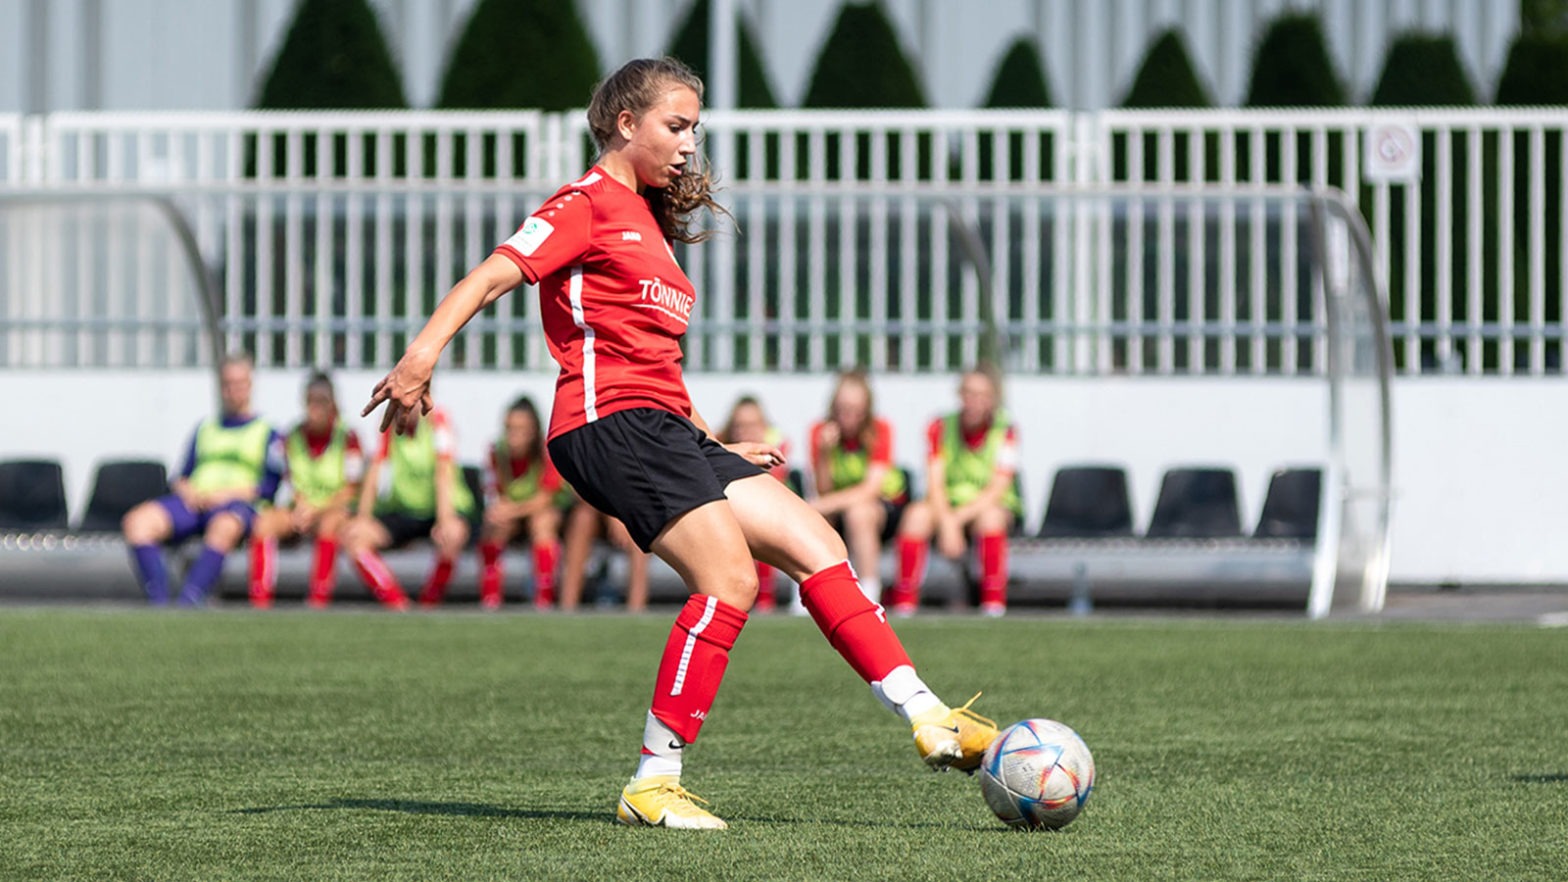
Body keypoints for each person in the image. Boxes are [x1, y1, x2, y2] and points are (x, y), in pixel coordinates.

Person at [362, 57, 998, 830]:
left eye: (695, 127)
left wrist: (715, 442)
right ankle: (653, 782)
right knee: (729, 581)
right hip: (604, 425)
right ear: (625, 125)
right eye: (676, 125)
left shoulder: (653, 228)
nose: (690, 143)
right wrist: (420, 357)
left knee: (818, 542)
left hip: (666, 428)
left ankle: (927, 716)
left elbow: (658, 370)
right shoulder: (585, 203)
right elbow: (492, 276)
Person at [122, 353, 284, 606]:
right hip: (195, 502)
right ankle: (159, 602)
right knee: (137, 522)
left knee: (224, 526)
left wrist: (225, 495)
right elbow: (181, 476)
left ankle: (189, 600)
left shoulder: (268, 432)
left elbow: (268, 487)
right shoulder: (205, 428)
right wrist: (189, 492)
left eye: (240, 383)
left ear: (250, 385)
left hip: (235, 505)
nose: (233, 390)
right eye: (228, 384)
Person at [888, 367, 1022, 617]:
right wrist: (947, 521)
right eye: (969, 393)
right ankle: (904, 600)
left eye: (982, 395)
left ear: (993, 398)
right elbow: (934, 482)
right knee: (916, 515)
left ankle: (993, 602)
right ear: (959, 395)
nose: (974, 401)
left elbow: (997, 488)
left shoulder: (1006, 430)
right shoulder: (940, 426)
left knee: (990, 518)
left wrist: (954, 522)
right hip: (945, 505)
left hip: (987, 506)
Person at [340, 403, 476, 610]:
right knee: (355, 539)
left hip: (440, 509)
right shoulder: (389, 423)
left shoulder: (437, 421)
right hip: (403, 511)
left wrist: (445, 519)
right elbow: (375, 470)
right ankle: (397, 603)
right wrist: (362, 518)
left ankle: (428, 604)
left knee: (451, 535)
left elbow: (443, 471)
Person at [247, 371, 364, 608]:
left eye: (322, 402)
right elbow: (290, 479)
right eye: (311, 401)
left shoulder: (347, 437)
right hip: (301, 510)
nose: (315, 408)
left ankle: (318, 599)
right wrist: (301, 507)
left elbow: (351, 490)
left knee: (330, 524)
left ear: (333, 403)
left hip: (332, 510)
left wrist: (316, 509)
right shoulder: (291, 437)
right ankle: (260, 601)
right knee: (264, 523)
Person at [806, 370, 907, 607]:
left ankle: (870, 592)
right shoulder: (820, 432)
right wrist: (824, 454)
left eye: (855, 410)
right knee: (814, 517)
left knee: (859, 513)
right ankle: (811, 593)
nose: (848, 416)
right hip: (838, 505)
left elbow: (870, 490)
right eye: (843, 409)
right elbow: (823, 489)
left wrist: (818, 505)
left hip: (882, 507)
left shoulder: (880, 430)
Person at [478, 395, 568, 610]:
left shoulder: (548, 451)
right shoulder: (497, 453)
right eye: (509, 429)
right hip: (513, 515)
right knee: (494, 525)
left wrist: (513, 510)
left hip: (546, 513)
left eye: (521, 430)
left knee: (542, 522)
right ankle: (490, 597)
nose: (513, 437)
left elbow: (547, 497)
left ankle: (544, 596)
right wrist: (499, 511)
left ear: (533, 431)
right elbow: (493, 491)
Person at [558, 501, 650, 613]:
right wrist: (613, 516)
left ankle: (636, 607)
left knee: (638, 524)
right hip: (597, 511)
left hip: (630, 510)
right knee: (582, 518)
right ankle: (568, 605)